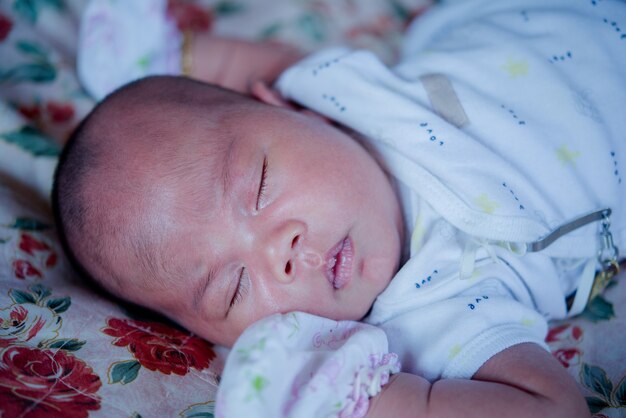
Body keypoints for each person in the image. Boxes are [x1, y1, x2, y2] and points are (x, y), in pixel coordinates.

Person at [52, 0, 626, 416]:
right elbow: (552, 406)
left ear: (291, 111)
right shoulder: (434, 317)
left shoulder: (336, 95)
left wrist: (173, 57)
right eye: (233, 289)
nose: (279, 252)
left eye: (260, 185)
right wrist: (373, 399)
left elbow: (265, 67)